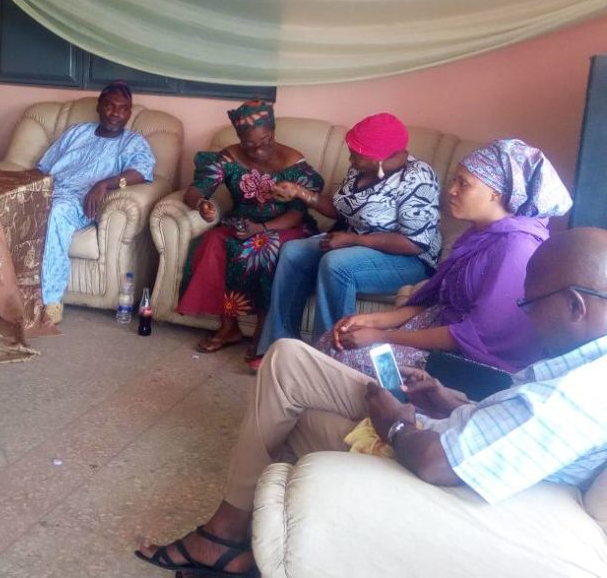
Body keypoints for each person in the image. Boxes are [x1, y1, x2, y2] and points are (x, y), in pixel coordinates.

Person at [136, 227, 607, 576]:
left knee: (293, 411)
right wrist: (449, 400)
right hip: (446, 431)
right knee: (288, 361)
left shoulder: (576, 394)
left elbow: (438, 465)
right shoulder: (584, 365)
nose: (525, 315)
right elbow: (509, 426)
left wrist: (395, 424)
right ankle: (237, 537)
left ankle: (225, 537)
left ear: (575, 305)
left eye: (530, 304)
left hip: (428, 463)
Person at [319, 139, 573, 374]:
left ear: (497, 193)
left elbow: (473, 336)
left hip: (466, 359)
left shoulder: (516, 248)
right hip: (440, 327)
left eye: (464, 184)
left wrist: (381, 336)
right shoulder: (481, 233)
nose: (451, 190)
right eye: (454, 181)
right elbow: (442, 300)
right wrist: (374, 320)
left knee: (343, 358)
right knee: (335, 339)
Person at [251, 112, 441, 362]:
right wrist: (300, 192)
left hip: (407, 260)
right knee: (293, 251)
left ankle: (330, 357)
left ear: (379, 156)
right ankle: (279, 345)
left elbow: (415, 243)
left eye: (356, 153)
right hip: (353, 243)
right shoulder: (360, 170)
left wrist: (353, 241)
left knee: (337, 263)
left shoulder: (418, 177)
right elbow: (342, 209)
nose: (350, 158)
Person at [175, 98, 324, 354]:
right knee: (214, 242)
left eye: (265, 141)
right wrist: (202, 204)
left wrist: (262, 228)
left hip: (285, 226)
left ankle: (262, 331)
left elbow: (296, 214)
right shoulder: (229, 157)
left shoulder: (292, 161)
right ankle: (228, 327)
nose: (258, 150)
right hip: (243, 220)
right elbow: (195, 191)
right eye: (249, 144)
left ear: (273, 132)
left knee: (264, 248)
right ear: (239, 139)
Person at [37, 81, 156, 325]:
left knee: (57, 212)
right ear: (99, 106)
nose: (115, 114)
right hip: (50, 190)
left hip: (79, 202)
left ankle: (51, 301)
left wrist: (104, 184)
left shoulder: (132, 142)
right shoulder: (77, 132)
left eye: (123, 109)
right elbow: (44, 167)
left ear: (129, 113)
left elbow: (141, 172)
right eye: (110, 106)